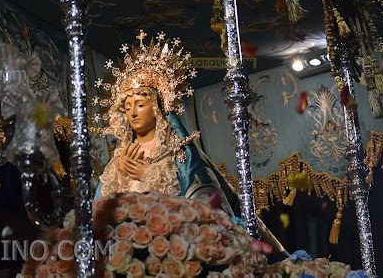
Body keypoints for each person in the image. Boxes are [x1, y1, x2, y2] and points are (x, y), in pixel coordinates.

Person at [92, 31, 287, 258]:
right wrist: (118, 177)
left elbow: (202, 207)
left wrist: (149, 177)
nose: (133, 113)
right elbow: (99, 216)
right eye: (127, 108)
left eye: (140, 105)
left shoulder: (178, 153)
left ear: (156, 108)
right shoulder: (118, 162)